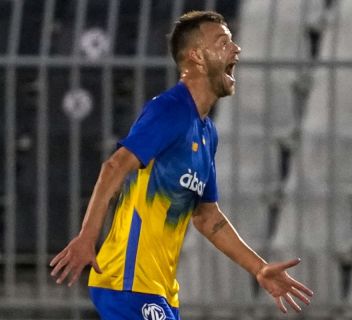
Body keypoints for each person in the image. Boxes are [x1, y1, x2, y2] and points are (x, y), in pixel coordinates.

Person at [50, 10, 313, 320]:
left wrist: (260, 268)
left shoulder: (206, 132)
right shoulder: (169, 109)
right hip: (126, 281)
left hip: (157, 290)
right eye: (223, 42)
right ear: (197, 57)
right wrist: (87, 237)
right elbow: (115, 166)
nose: (236, 49)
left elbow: (207, 216)